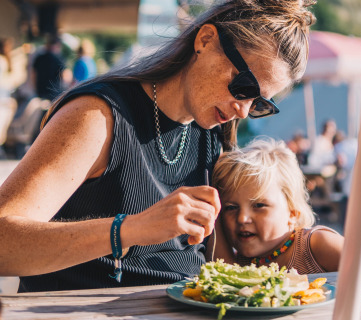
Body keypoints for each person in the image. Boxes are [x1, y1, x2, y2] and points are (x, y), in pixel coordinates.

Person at [0, 0, 315, 292]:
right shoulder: (98, 117)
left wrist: (307, 245)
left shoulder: (211, 133)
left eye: (260, 104)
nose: (243, 110)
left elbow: (218, 256)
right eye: (243, 86)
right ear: (205, 41)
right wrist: (132, 229)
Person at [211, 138, 361, 272]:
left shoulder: (316, 246)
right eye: (231, 208)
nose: (242, 218)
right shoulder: (237, 262)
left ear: (293, 213)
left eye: (259, 205)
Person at [32, 35, 66, 101]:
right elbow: (64, 76)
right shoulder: (59, 59)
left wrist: (35, 89)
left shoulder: (39, 58)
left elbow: (33, 75)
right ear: (57, 46)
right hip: (55, 93)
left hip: (41, 92)